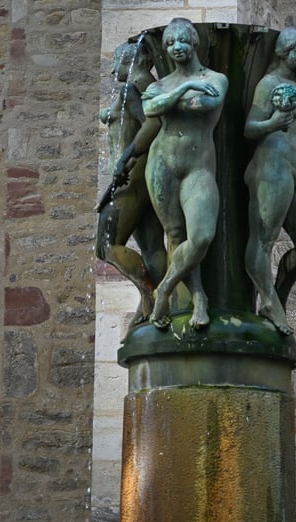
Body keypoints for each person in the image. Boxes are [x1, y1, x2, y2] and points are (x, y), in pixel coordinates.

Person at [142, 18, 228, 329]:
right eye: (169, 43)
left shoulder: (216, 78)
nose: (176, 47)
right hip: (161, 163)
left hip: (198, 167)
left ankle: (164, 289)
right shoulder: (160, 85)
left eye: (181, 40)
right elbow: (150, 110)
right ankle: (199, 297)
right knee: (175, 236)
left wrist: (171, 99)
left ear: (194, 42)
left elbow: (204, 104)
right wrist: (186, 88)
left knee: (201, 237)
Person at [243, 27, 296, 334]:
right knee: (264, 239)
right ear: (283, 52)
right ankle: (268, 301)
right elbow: (250, 127)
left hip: (294, 172)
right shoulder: (269, 84)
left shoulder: (295, 87)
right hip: (272, 167)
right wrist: (273, 122)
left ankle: (277, 296)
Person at [96, 42, 167, 324]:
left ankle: (150, 296)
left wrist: (125, 159)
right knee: (152, 247)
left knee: (106, 245)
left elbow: (152, 123)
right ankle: (162, 304)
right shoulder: (143, 88)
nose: (112, 70)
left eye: (117, 62)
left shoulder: (131, 90)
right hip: (141, 177)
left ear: (131, 60)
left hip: (130, 177)